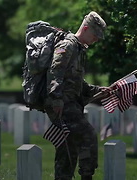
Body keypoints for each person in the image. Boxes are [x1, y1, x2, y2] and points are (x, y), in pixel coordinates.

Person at [44, 11, 109, 180]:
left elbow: (78, 83)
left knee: (68, 147)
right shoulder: (68, 46)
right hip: (63, 104)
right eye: (95, 35)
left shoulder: (79, 50)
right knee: (87, 135)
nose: (96, 39)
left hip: (71, 103)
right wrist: (56, 99)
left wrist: (98, 90)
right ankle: (86, 175)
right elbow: (54, 73)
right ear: (85, 28)